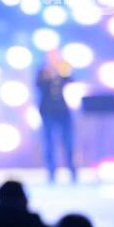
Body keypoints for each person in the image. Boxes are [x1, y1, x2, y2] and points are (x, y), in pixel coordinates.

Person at [37, 49, 75, 182]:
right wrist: (50, 75)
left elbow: (71, 81)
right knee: (49, 142)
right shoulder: (42, 72)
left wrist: (62, 71)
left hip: (63, 111)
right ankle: (51, 172)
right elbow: (40, 86)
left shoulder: (63, 69)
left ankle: (72, 170)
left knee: (68, 141)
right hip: (47, 111)